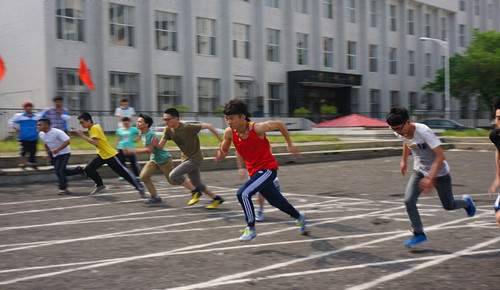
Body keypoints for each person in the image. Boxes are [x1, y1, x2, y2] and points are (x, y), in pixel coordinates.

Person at [215, 99, 306, 241]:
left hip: (268, 169)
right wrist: (220, 154)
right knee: (276, 201)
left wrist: (289, 144)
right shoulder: (229, 133)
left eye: (232, 118)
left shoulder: (256, 128)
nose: (228, 122)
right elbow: (224, 150)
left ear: (242, 117)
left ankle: (251, 228)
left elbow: (279, 124)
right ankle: (299, 217)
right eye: (226, 119)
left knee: (243, 194)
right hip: (255, 173)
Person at [386, 106, 476, 247]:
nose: (397, 132)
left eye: (398, 128)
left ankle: (467, 203)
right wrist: (404, 160)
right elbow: (406, 142)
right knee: (408, 201)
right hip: (419, 170)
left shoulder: (424, 132)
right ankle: (419, 233)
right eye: (393, 129)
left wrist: (430, 178)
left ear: (408, 123)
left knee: (449, 205)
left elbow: (441, 156)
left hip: (439, 173)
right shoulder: (399, 131)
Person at [156, 108, 224, 209]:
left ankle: (195, 192)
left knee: (173, 175)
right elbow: (161, 146)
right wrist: (154, 144)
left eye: (168, 119)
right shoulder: (168, 130)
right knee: (197, 183)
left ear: (176, 118)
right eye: (164, 120)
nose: (166, 122)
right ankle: (216, 199)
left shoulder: (188, 127)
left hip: (195, 158)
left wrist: (221, 141)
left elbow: (210, 126)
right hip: (186, 159)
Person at [74, 112, 145, 197]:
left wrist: (82, 135)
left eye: (82, 122)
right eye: (80, 123)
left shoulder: (94, 128)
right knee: (88, 169)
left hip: (110, 155)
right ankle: (100, 185)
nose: (81, 125)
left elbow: (94, 142)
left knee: (123, 173)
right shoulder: (92, 128)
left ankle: (139, 187)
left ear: (89, 121)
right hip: (102, 155)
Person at [132, 114, 178, 205]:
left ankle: (193, 184)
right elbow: (136, 137)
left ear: (146, 124)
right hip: (154, 159)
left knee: (172, 181)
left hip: (164, 160)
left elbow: (150, 150)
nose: (137, 123)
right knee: (144, 176)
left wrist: (134, 150)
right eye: (137, 121)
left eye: (140, 122)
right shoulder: (142, 133)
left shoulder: (150, 134)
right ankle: (155, 197)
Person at [37, 118, 82, 195]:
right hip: (54, 154)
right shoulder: (41, 134)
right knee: (61, 171)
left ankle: (63, 188)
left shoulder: (57, 132)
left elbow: (67, 141)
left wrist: (58, 149)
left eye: (40, 125)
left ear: (46, 125)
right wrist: (47, 154)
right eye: (37, 125)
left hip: (64, 153)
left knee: (60, 170)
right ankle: (81, 170)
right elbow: (46, 144)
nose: (38, 126)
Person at [236, 152, 280, 222]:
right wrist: (240, 167)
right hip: (252, 168)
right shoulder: (241, 142)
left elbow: (268, 149)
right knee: (258, 191)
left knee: (261, 191)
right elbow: (238, 151)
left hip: (264, 167)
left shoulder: (259, 141)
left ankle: (260, 209)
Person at [8, 102, 40, 170]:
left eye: (30, 106)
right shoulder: (19, 116)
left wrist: (38, 130)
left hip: (33, 136)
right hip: (24, 137)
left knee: (33, 151)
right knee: (23, 151)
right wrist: (16, 129)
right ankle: (22, 164)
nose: (29, 108)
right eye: (27, 106)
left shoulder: (36, 116)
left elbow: (40, 123)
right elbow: (11, 122)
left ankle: (32, 164)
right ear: (24, 108)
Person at [488, 100, 500, 231]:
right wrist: (498, 177)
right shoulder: (495, 136)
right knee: (498, 216)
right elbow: (498, 151)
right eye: (498, 118)